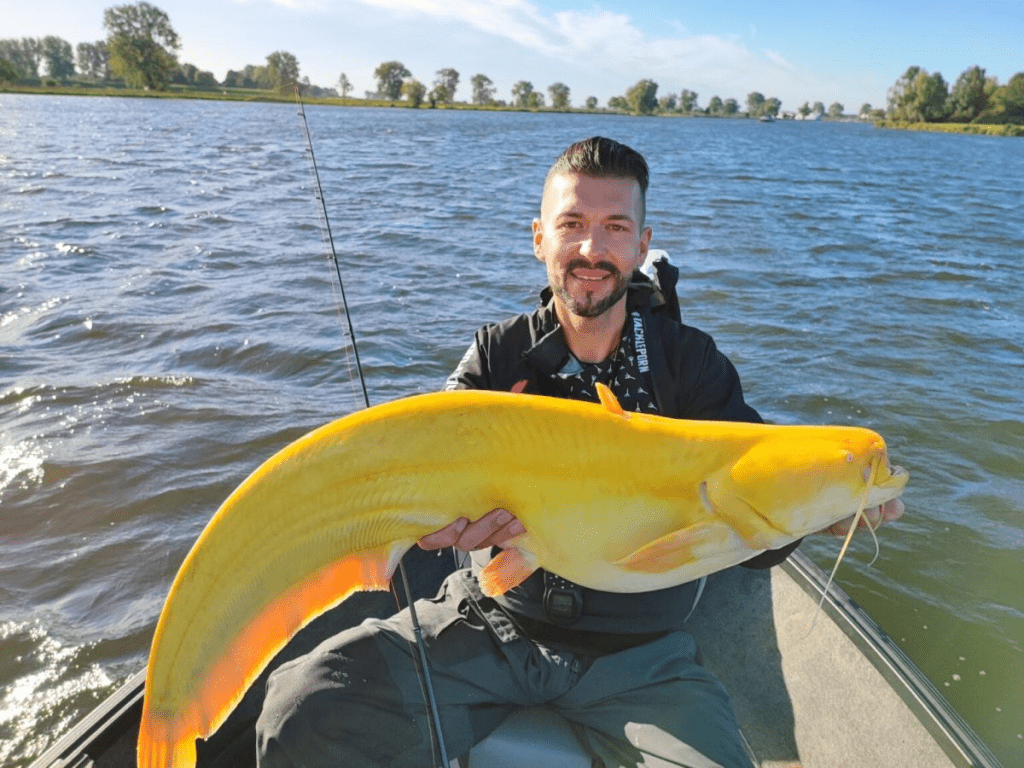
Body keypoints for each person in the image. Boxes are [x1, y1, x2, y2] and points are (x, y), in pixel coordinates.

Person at [255, 136, 904, 768]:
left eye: (617, 227)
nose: (593, 249)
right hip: (492, 621)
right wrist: (437, 527)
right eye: (573, 223)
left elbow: (756, 504)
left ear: (642, 246)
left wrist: (824, 513)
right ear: (540, 237)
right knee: (303, 710)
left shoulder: (691, 363)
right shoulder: (497, 355)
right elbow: (426, 464)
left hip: (645, 656)